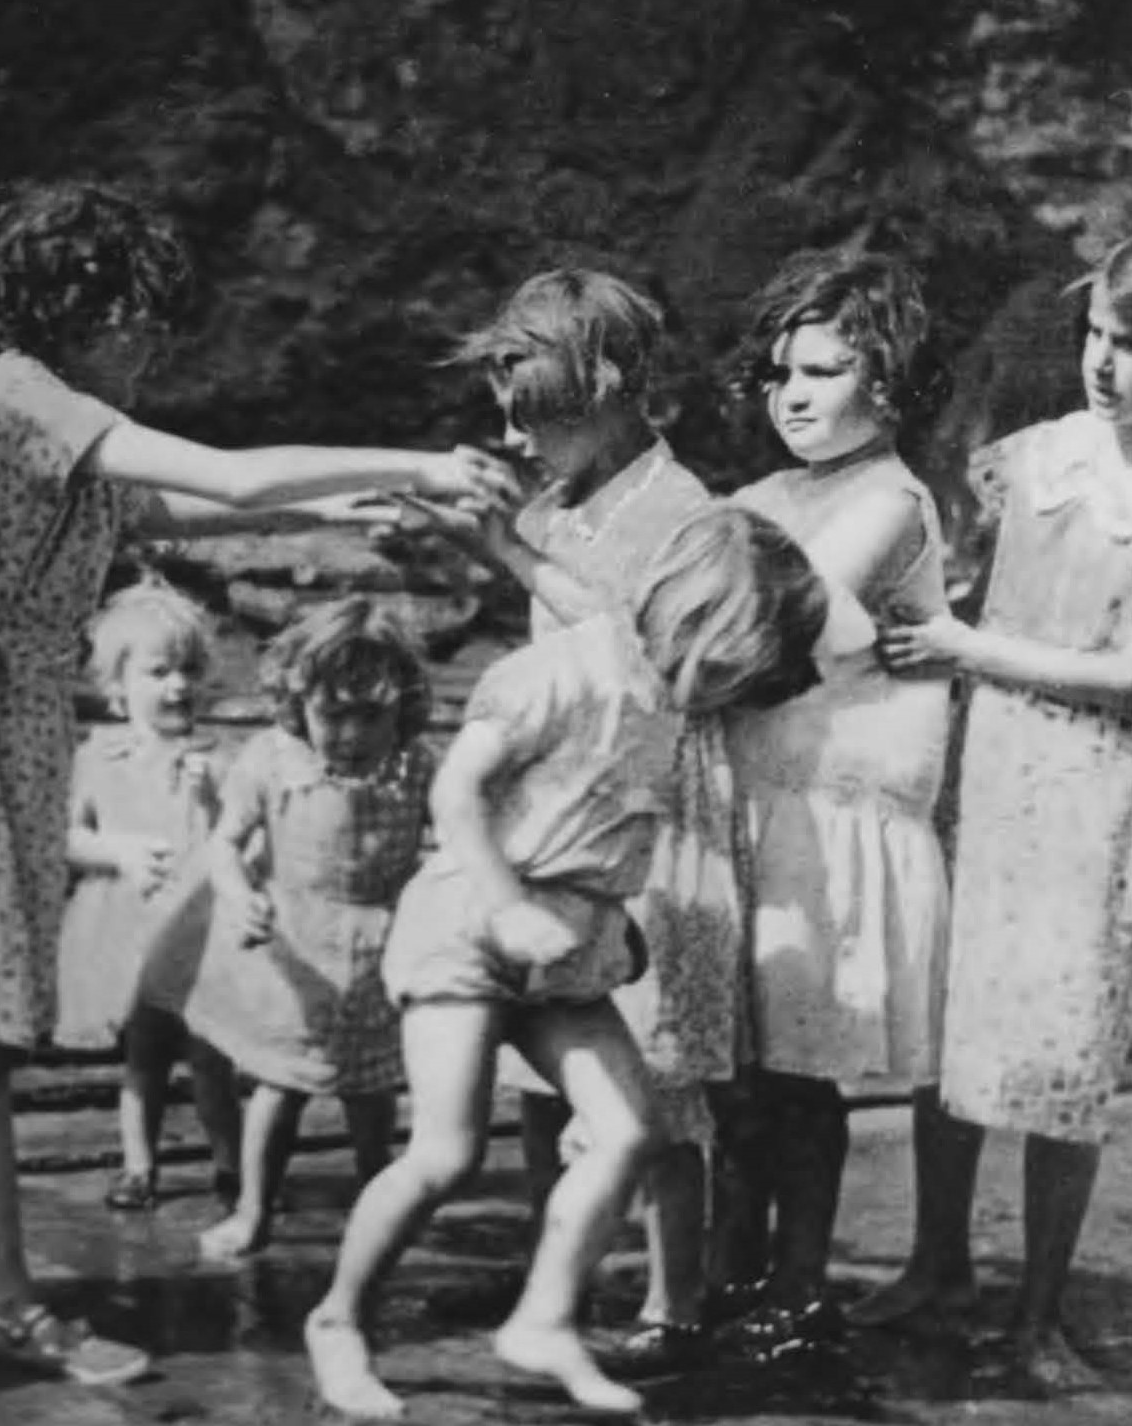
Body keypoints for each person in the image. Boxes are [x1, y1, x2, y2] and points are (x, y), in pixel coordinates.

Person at [0, 176, 517, 1387]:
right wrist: (424, 466)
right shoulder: (28, 398)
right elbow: (227, 477)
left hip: (3, 728)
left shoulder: (44, 418)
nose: (154, 347)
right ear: (88, 307)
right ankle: (4, 1304)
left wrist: (355, 498)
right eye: (143, 321)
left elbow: (179, 509)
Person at [306, 504, 834, 1420]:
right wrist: (508, 909)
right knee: (446, 1152)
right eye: (724, 668)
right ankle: (338, 1321)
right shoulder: (562, 673)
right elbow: (455, 792)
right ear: (685, 615)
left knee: (632, 1131)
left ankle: (543, 1320)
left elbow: (612, 833)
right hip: (471, 923)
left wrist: (608, 929)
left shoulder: (672, 705)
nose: (723, 693)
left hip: (571, 953)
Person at [872, 221, 1132, 1395]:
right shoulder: (1038, 457)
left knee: (1063, 1046)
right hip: (984, 774)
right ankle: (936, 1259)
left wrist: (957, 644)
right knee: (953, 1024)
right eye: (1096, 332)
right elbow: (947, 590)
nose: (1102, 362)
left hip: (1094, 795)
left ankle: (1038, 1311)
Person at [426, 268, 746, 1365]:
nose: (516, 440)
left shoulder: (684, 507)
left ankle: (672, 1301)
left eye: (534, 415)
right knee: (534, 1047)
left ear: (607, 380)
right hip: (553, 806)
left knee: (650, 1062)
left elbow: (656, 655)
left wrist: (506, 557)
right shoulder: (547, 506)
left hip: (643, 815)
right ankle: (551, 1274)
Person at [715, 249, 953, 1356]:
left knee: (797, 1063)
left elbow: (779, 613)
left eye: (819, 371)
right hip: (751, 798)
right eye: (777, 373)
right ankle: (726, 1263)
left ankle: (799, 1277)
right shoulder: (762, 494)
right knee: (731, 1059)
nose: (791, 395)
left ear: (889, 387)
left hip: (828, 806)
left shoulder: (890, 501)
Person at [181, 598, 434, 1260]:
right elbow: (225, 842)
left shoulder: (415, 765)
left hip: (384, 945)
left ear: (400, 706)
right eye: (333, 714)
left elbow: (460, 836)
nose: (351, 733)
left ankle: (378, 1206)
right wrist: (237, 894)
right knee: (282, 1084)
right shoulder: (272, 760)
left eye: (370, 715)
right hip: (295, 945)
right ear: (300, 702)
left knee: (372, 1093)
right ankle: (254, 1207)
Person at [54, 579, 241, 1212]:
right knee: (144, 1057)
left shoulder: (214, 757)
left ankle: (229, 1164)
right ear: (117, 686)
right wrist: (117, 850)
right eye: (159, 672)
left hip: (200, 932)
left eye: (189, 671)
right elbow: (68, 837)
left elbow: (239, 839)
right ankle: (139, 1165)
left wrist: (213, 797)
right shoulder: (100, 756)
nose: (178, 687)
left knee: (212, 1054)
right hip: (128, 930)